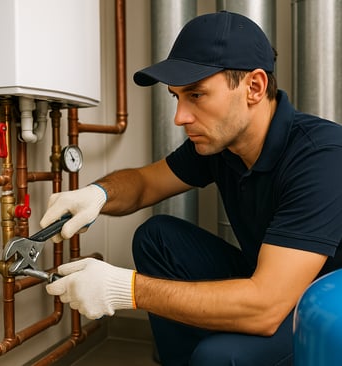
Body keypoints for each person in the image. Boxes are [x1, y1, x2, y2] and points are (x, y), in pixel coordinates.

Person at [40, 11, 342, 366]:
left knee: (219, 357)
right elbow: (144, 183)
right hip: (272, 283)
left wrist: (127, 289)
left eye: (197, 95)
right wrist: (97, 194)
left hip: (326, 313)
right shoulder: (223, 142)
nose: (180, 117)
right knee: (157, 237)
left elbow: (266, 307)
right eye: (177, 98)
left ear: (255, 88)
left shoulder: (321, 156)